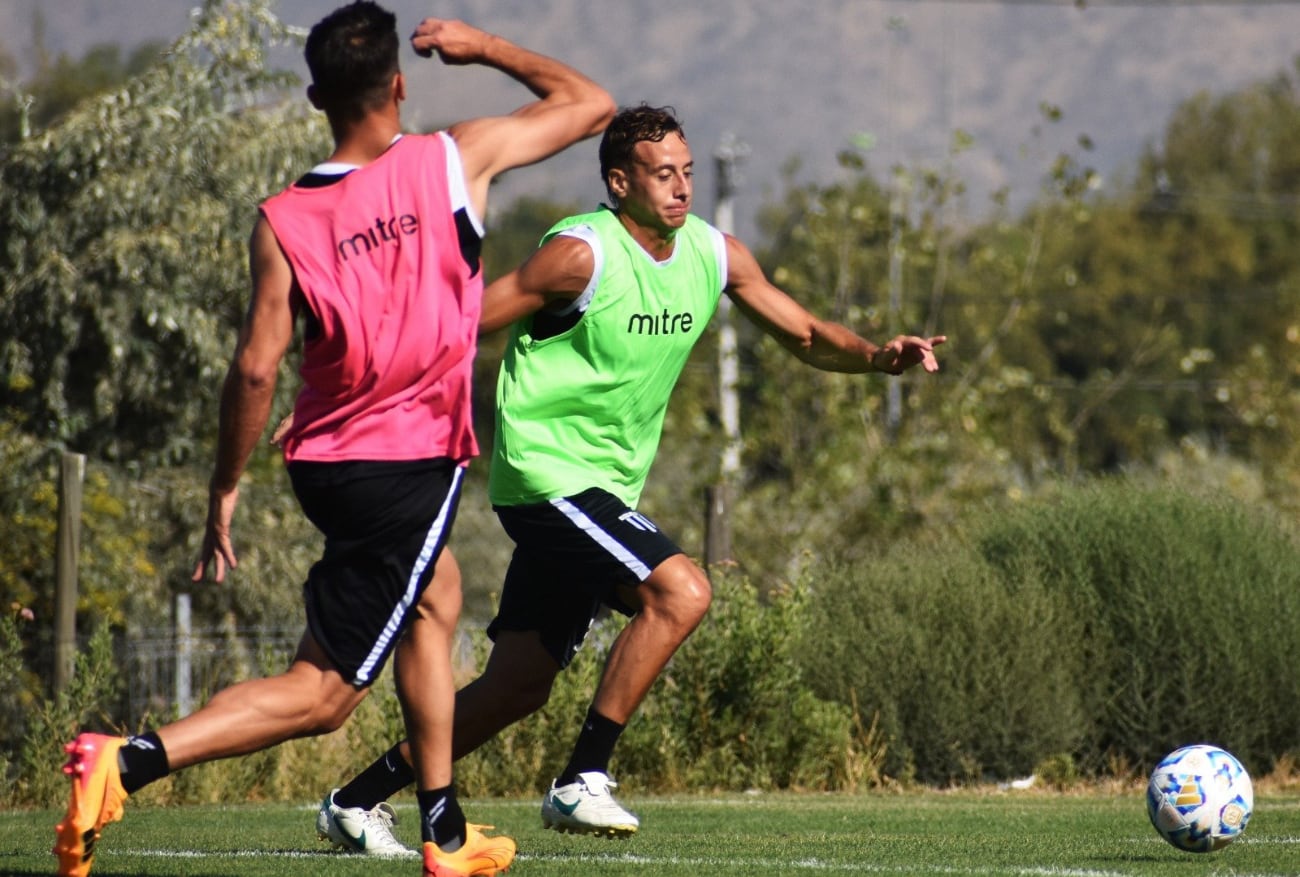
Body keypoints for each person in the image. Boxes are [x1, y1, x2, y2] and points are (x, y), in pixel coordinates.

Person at [52, 4, 613, 877]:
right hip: (405, 461)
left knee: (436, 597)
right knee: (322, 696)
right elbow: (591, 103)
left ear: (317, 96)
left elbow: (253, 369)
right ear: (398, 84)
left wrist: (224, 488)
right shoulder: (451, 159)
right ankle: (124, 761)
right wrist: (482, 48)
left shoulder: (282, 219)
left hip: (332, 459)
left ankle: (444, 831)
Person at [312, 103, 946, 854]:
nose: (681, 187)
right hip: (545, 477)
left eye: (685, 171)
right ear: (620, 182)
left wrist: (877, 355)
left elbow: (806, 334)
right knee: (682, 591)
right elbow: (459, 322)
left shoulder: (715, 254)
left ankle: (354, 800)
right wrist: (360, 385)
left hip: (604, 490)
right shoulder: (580, 256)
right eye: (662, 174)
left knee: (519, 685)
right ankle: (582, 776)